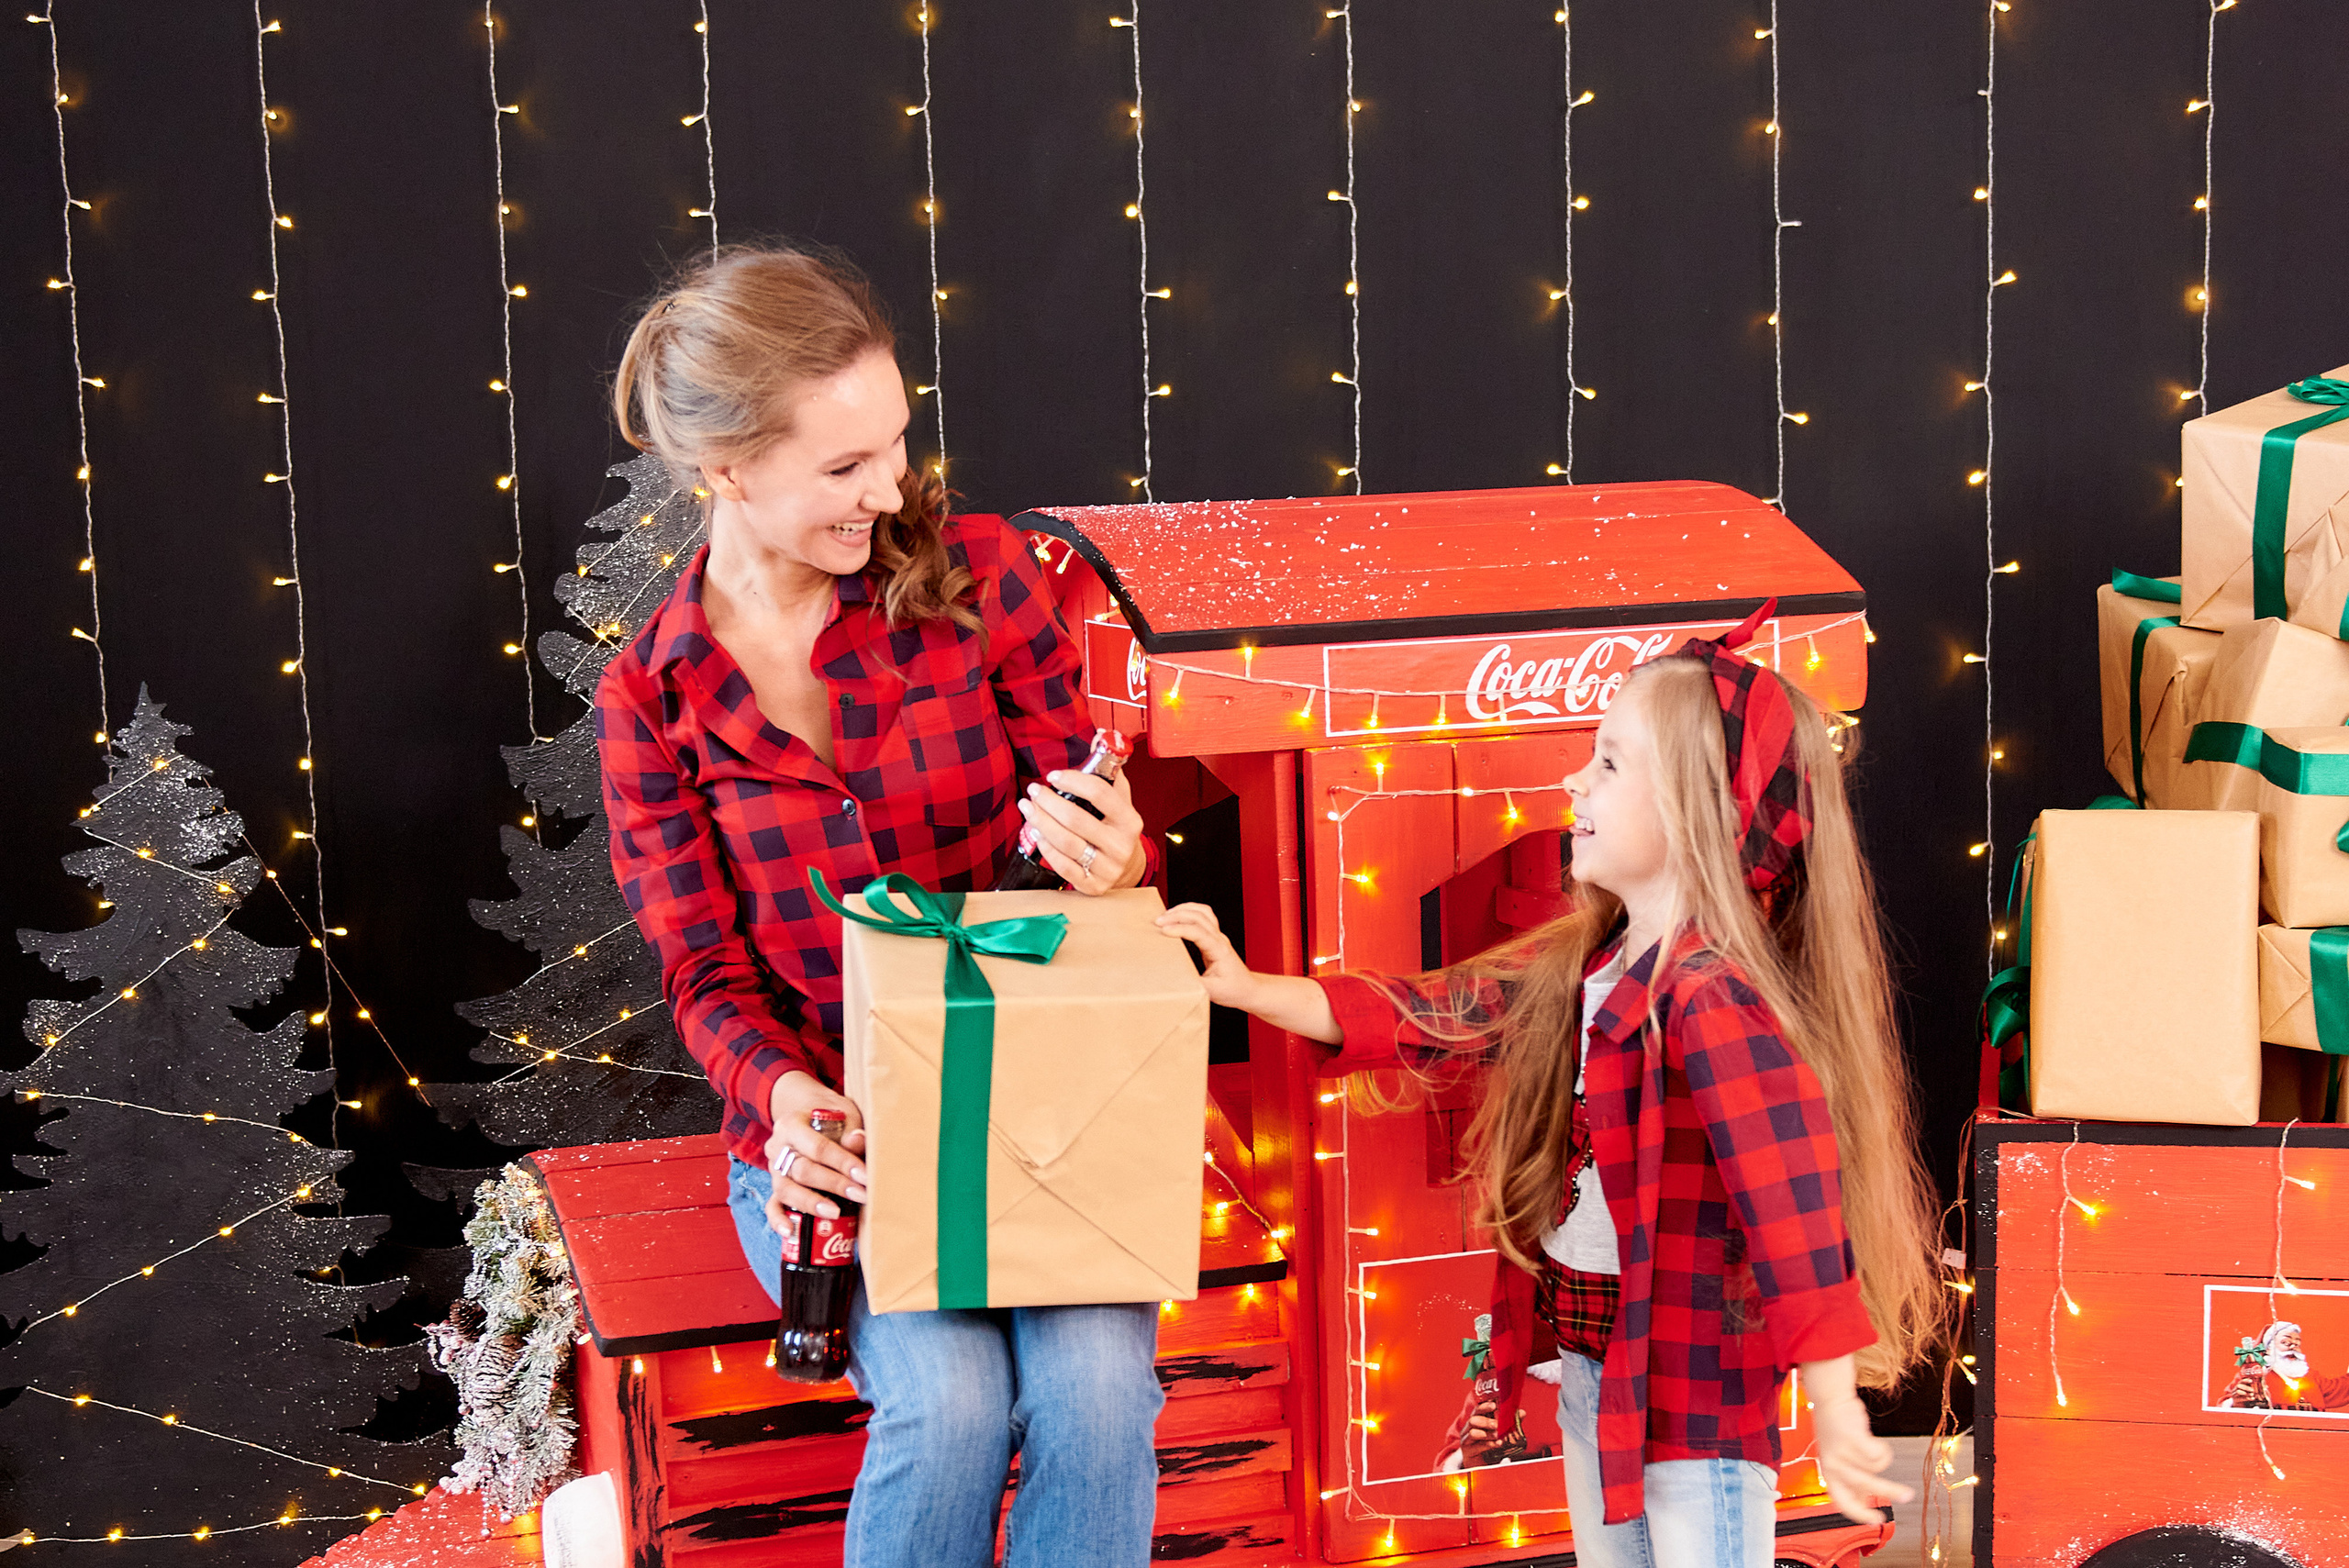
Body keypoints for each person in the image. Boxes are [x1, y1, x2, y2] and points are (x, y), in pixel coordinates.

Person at [1157, 606, 1947, 1566]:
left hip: (1692, 1397)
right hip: (1593, 1371)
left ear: (1700, 806)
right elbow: (1429, 1012)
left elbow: (1797, 1221)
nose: (1574, 781)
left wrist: (1835, 1413)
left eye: (1609, 763)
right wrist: (1242, 987)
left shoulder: (1712, 1001)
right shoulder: (1592, 964)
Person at [596, 243, 1166, 1568]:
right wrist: (784, 1105)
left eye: (895, 443)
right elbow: (706, 977)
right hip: (838, 1128)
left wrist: (1113, 854)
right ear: (726, 471)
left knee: (1096, 1395)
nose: (891, 488)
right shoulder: (653, 699)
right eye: (845, 469)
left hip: (1041, 1093)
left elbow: (1091, 837)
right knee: (952, 1405)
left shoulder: (980, 571)